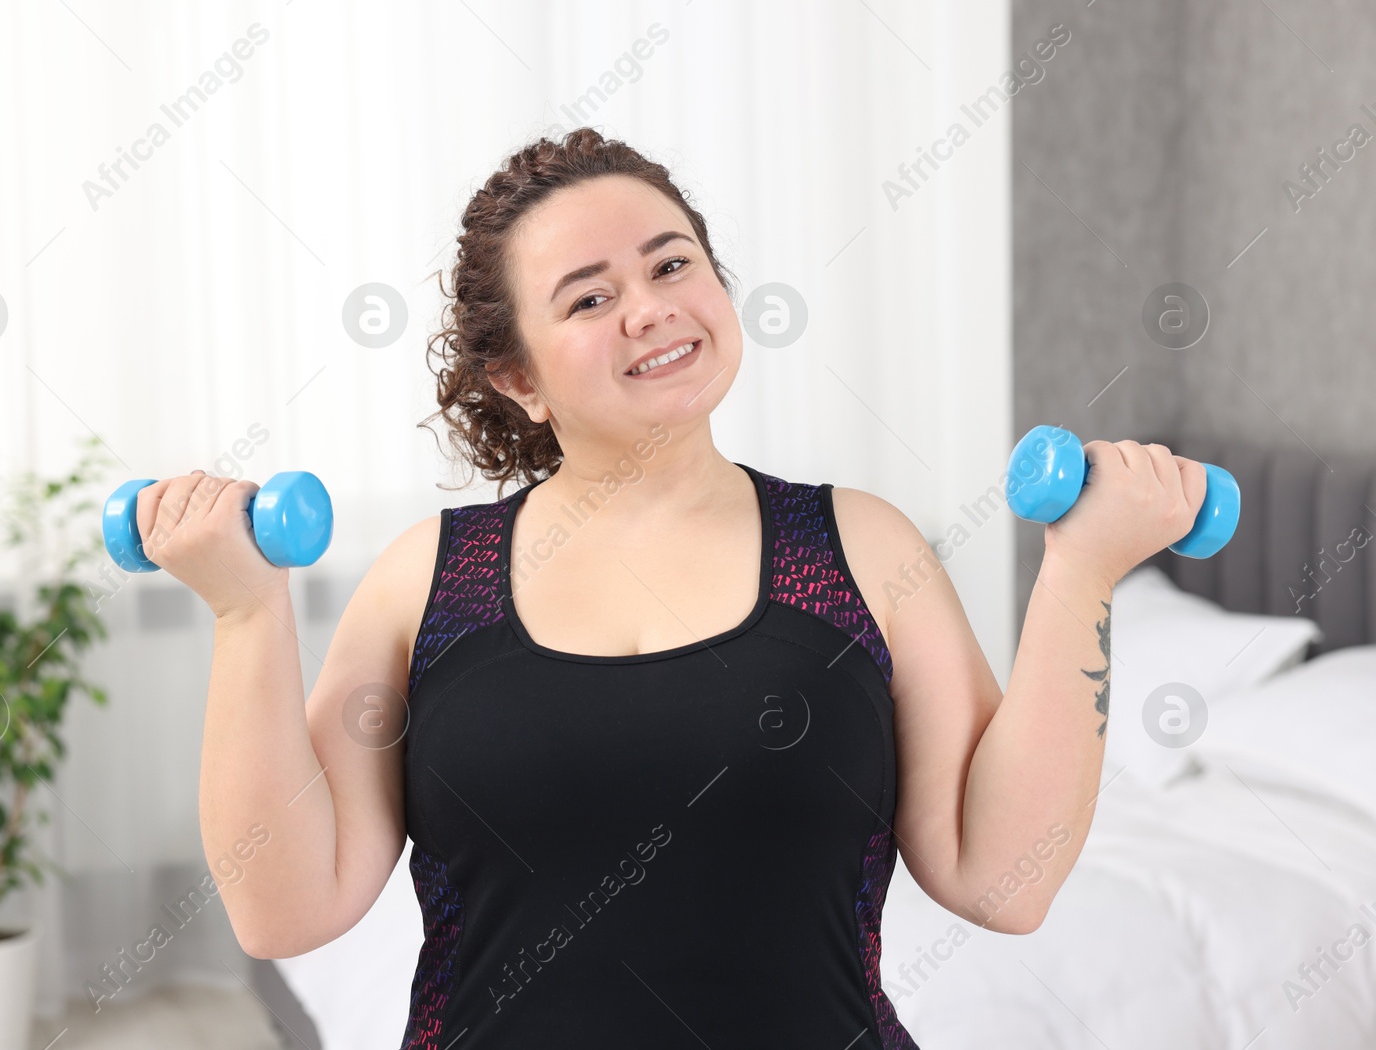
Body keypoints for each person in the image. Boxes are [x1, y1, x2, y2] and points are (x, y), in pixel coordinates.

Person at [134, 128, 1208, 1048]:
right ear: (518, 377)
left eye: (671, 264)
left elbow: (1001, 878)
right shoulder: (425, 578)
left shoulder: (861, 548)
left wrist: (1082, 568)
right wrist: (244, 608)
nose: (649, 308)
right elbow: (286, 908)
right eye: (590, 296)